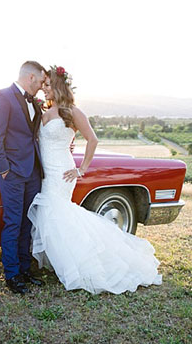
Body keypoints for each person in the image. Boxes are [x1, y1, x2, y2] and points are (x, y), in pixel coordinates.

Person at [27, 66, 163, 294]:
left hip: (62, 173)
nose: (44, 89)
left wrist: (81, 169)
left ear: (59, 86)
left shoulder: (73, 112)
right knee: (50, 215)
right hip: (45, 171)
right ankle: (61, 261)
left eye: (48, 85)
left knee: (57, 214)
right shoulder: (44, 110)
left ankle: (77, 265)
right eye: (43, 85)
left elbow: (92, 139)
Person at [0, 60, 48, 294]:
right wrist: (3, 169)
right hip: (12, 172)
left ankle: (24, 269)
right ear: (31, 77)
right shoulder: (2, 97)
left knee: (27, 222)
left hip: (33, 171)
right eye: (41, 81)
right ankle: (12, 274)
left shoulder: (34, 102)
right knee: (13, 222)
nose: (42, 86)